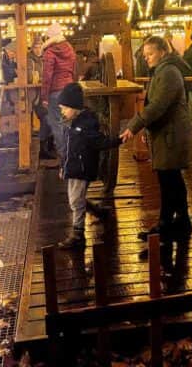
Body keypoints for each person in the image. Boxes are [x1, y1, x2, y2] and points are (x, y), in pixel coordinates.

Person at [121, 36, 192, 240]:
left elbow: (158, 105)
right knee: (171, 179)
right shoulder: (163, 70)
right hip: (167, 132)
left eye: (150, 54)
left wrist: (134, 126)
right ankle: (179, 221)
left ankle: (168, 224)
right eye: (145, 55)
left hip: (171, 133)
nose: (147, 59)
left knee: (169, 179)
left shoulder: (169, 72)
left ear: (162, 52)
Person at [55, 82, 123, 250]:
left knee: (75, 201)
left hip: (82, 168)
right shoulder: (70, 124)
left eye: (65, 108)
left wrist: (118, 140)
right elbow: (66, 148)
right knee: (76, 199)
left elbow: (100, 142)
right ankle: (98, 211)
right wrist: (63, 165)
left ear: (75, 107)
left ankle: (78, 234)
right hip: (73, 167)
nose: (62, 112)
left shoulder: (86, 125)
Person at [41, 22, 77, 162]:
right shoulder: (69, 48)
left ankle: (64, 159)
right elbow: (74, 69)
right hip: (68, 91)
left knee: (57, 126)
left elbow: (47, 76)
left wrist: (44, 97)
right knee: (68, 124)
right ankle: (72, 155)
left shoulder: (49, 52)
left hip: (55, 93)